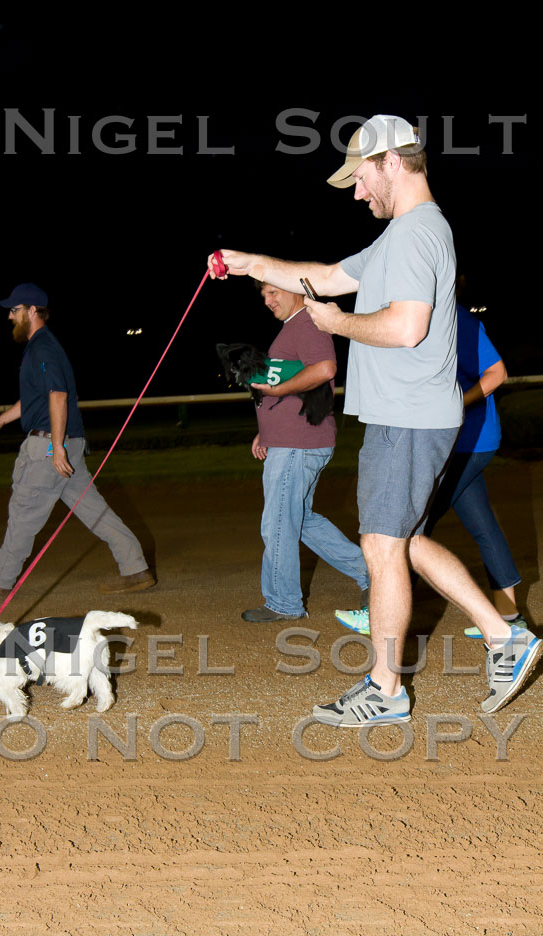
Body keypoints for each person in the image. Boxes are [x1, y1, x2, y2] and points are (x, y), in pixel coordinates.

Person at [208, 114, 541, 723]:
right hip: (405, 415)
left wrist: (338, 323)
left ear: (391, 161)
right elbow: (326, 276)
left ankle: (386, 689)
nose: (358, 193)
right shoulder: (399, 235)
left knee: (382, 546)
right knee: (404, 542)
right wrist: (252, 262)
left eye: (361, 178)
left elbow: (407, 327)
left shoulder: (417, 232)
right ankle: (504, 636)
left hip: (408, 415)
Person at [337, 300, 526, 640]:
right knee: (482, 526)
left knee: (407, 526)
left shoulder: (459, 320)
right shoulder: (421, 318)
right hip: (456, 441)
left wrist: (454, 404)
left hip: (470, 441)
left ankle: (377, 612)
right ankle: (510, 616)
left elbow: (497, 373)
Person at [0, 282, 155, 600]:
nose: (10, 316)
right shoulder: (41, 347)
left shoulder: (42, 348)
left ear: (33, 311)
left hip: (50, 447)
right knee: (94, 510)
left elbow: (57, 396)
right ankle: (135, 568)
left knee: (25, 510)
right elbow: (36, 399)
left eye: (15, 310)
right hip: (65, 444)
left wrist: (56, 447)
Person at [240, 281, 369, 622]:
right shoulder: (294, 327)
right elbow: (294, 387)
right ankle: (374, 572)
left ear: (294, 289)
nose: (268, 301)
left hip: (297, 445)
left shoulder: (307, 322)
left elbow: (325, 369)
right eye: (264, 295)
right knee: (301, 520)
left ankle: (283, 602)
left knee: (278, 523)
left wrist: (277, 390)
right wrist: (266, 430)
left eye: (274, 292)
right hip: (292, 440)